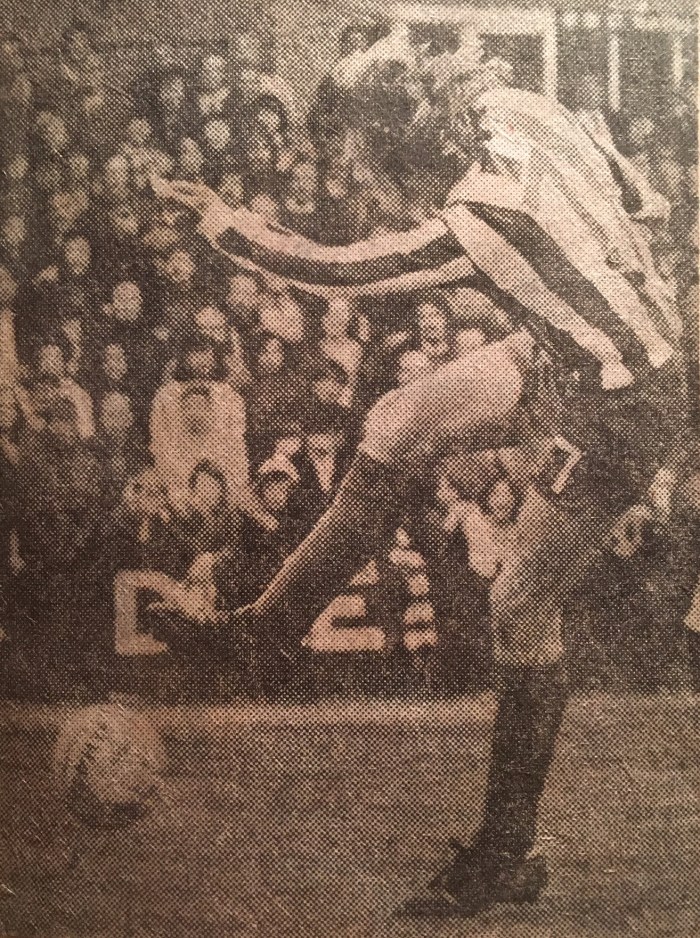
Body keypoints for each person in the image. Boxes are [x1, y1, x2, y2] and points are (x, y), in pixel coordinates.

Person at [153, 22, 691, 916]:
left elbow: (336, 273)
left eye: (367, 165)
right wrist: (616, 288)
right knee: (398, 419)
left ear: (399, 146)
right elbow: (649, 203)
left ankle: (506, 853)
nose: (372, 188)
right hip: (582, 355)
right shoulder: (522, 104)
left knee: (519, 605)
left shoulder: (477, 221)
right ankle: (265, 633)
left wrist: (224, 223)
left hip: (626, 405)